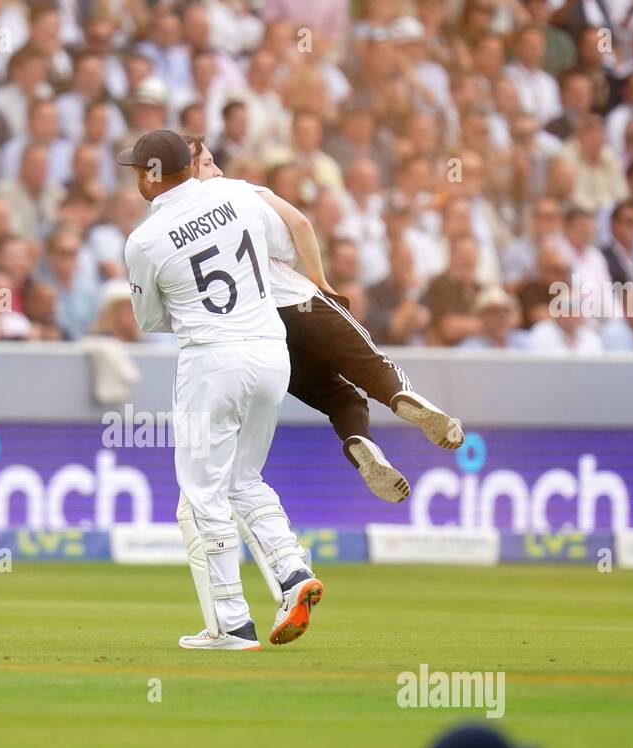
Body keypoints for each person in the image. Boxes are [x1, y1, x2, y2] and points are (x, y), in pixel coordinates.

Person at [120, 130, 320, 652]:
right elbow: (286, 249)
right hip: (272, 352)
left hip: (211, 361)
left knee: (204, 495)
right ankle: (292, 572)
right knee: (244, 478)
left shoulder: (144, 239)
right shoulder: (236, 194)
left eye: (137, 170)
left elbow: (149, 318)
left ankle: (231, 623)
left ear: (150, 175)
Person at [187, 136, 464, 507]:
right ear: (190, 170)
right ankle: (400, 396)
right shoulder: (235, 191)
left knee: (340, 399)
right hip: (298, 304)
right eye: (207, 163)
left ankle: (358, 442)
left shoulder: (171, 229)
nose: (217, 169)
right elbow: (299, 224)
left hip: (258, 337)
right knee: (372, 366)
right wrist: (319, 278)